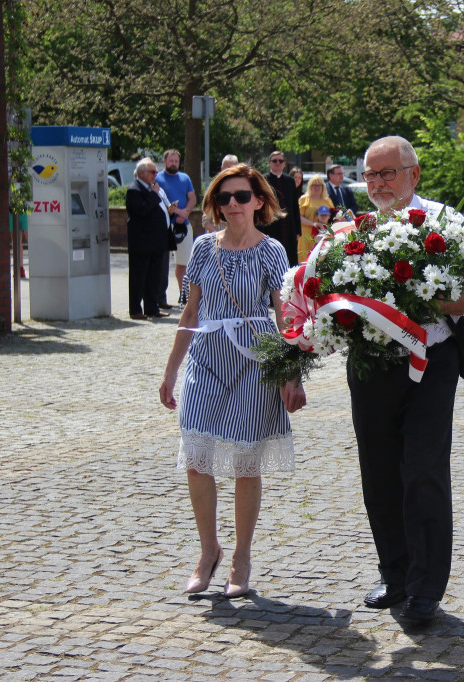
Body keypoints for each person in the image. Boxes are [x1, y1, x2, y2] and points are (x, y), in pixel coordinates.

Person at [351, 135, 464, 624]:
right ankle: (394, 573)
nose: (377, 184)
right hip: (370, 363)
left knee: (424, 470)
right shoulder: (357, 228)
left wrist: (420, 307)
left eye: (387, 173)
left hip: (430, 360)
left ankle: (426, 587)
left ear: (414, 173)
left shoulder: (445, 222)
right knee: (379, 470)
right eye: (370, 174)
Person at [159, 163, 307, 598]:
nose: (232, 205)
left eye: (241, 197)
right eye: (224, 199)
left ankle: (241, 556)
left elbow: (286, 318)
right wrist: (171, 371)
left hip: (254, 362)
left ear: (258, 201)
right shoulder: (204, 248)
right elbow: (189, 314)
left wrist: (290, 376)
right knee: (196, 457)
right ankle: (209, 552)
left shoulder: (272, 251)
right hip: (207, 358)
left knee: (245, 462)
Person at [126, 158, 175, 320]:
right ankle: (135, 309)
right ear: (142, 173)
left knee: (154, 277)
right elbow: (141, 210)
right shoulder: (134, 190)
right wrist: (153, 195)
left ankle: (152, 307)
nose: (156, 175)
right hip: (142, 243)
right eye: (152, 172)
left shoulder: (155, 189)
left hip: (156, 242)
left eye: (156, 172)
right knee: (139, 278)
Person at [157, 149, 198, 306]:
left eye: (176, 161)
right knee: (162, 264)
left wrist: (186, 212)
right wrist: (178, 211)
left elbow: (192, 198)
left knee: (184, 262)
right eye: (171, 161)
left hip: (184, 225)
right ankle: (160, 297)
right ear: (165, 161)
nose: (173, 163)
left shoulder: (185, 178)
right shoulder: (159, 178)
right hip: (165, 225)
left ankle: (184, 295)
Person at [264, 151, 300, 266]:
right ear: (269, 163)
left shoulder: (289, 180)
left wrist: (298, 230)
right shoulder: (263, 180)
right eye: (274, 161)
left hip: (289, 227)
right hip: (269, 225)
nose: (278, 163)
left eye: (281, 161)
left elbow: (295, 206)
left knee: (290, 259)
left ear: (285, 164)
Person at [297, 173, 334, 263]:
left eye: (319, 185)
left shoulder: (327, 200)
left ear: (323, 187)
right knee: (306, 261)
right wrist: (313, 224)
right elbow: (298, 217)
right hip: (307, 234)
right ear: (309, 186)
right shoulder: (304, 199)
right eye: (314, 185)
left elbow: (333, 216)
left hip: (323, 234)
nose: (317, 188)